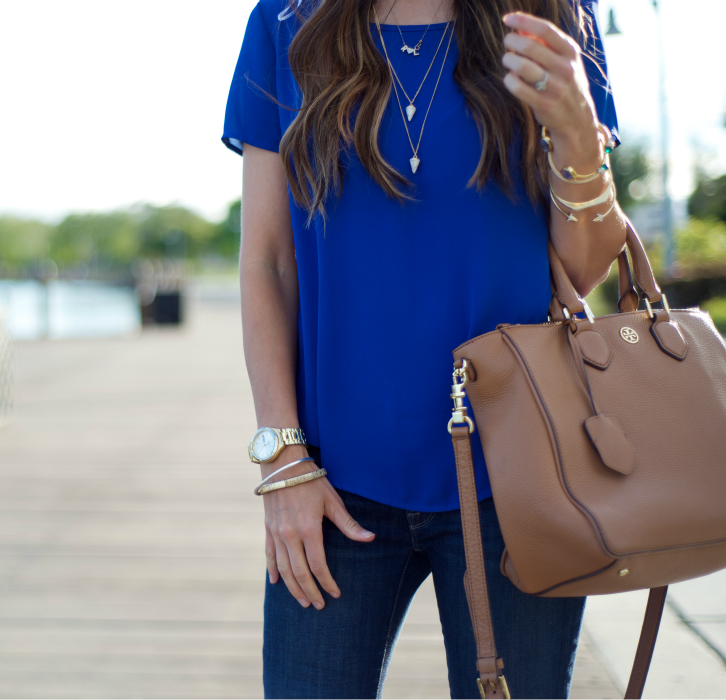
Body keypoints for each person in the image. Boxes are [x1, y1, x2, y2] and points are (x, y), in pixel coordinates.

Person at [222, 0, 627, 697]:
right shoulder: (286, 21)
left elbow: (582, 269)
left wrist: (577, 137)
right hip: (331, 483)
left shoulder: (551, 14)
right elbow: (267, 261)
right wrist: (283, 459)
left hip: (520, 480)